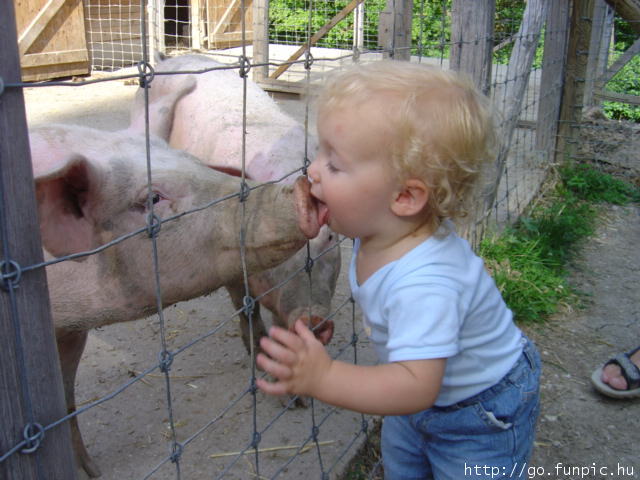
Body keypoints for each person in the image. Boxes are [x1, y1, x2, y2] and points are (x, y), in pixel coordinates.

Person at [256, 60, 541, 479]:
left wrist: (325, 376)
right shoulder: (383, 229)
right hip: (417, 402)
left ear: (405, 197)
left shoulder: (426, 283)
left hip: (479, 412)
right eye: (320, 152)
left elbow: (414, 385)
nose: (312, 170)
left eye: (334, 164)